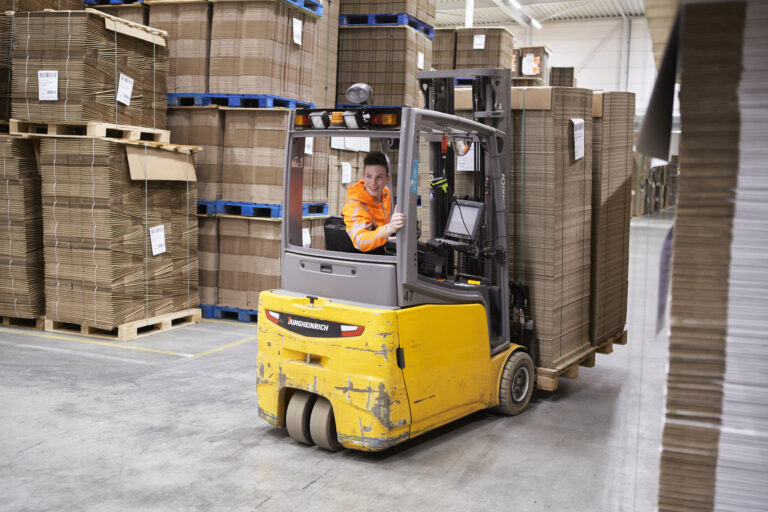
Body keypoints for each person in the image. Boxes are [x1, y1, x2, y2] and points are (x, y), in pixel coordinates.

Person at [341, 151, 406, 252]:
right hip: (367, 258)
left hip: (382, 250)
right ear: (363, 176)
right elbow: (360, 241)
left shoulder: (386, 193)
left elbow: (379, 229)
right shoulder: (355, 205)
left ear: (387, 179)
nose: (373, 183)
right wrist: (389, 229)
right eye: (369, 176)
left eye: (379, 177)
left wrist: (389, 235)